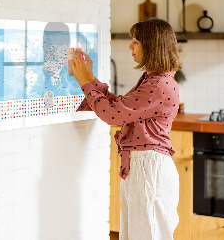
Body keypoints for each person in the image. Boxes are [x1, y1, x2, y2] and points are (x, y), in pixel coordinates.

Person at [69, 18, 181, 240]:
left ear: (152, 46)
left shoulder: (158, 85)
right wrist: (90, 78)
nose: (130, 46)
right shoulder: (154, 80)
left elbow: (112, 115)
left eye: (136, 41)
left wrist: (84, 82)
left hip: (149, 169)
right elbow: (119, 107)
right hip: (144, 167)